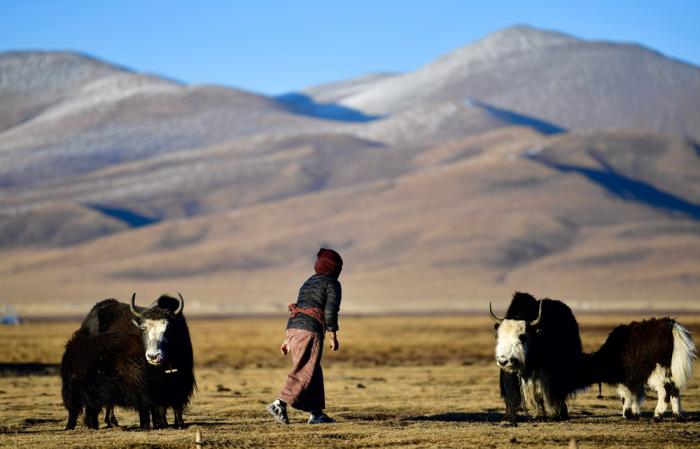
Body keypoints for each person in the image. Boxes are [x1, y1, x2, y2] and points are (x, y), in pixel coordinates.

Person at [266, 248, 343, 424]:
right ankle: (279, 403)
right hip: (309, 330)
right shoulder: (332, 283)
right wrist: (333, 336)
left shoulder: (309, 281)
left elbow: (301, 307)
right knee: (304, 369)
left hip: (294, 328)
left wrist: (287, 339)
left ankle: (316, 414)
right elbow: (331, 311)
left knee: (312, 369)